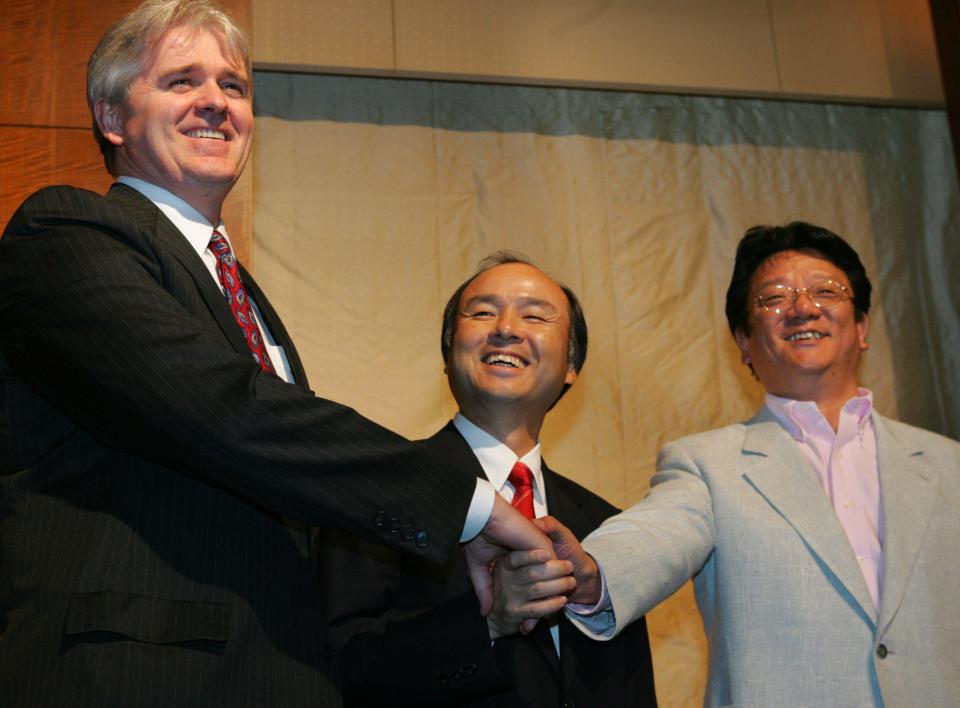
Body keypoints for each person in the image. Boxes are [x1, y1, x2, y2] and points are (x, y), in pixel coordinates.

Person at [0, 2, 549, 705]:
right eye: (181, 82)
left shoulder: (248, 302)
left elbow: (293, 521)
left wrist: (481, 610)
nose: (215, 104)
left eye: (234, 86)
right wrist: (465, 506)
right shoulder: (66, 234)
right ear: (111, 118)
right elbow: (226, 412)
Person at [527, 222, 960, 706]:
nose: (802, 307)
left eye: (826, 291)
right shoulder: (708, 464)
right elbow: (658, 533)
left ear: (861, 327)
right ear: (744, 342)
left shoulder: (949, 465)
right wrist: (590, 571)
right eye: (774, 298)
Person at [318, 254, 658, 707]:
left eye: (534, 315)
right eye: (482, 312)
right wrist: (489, 623)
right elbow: (336, 667)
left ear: (572, 364)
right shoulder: (379, 489)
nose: (506, 328)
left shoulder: (604, 524)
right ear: (447, 351)